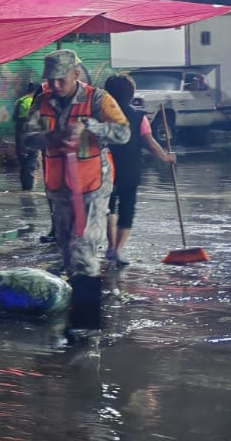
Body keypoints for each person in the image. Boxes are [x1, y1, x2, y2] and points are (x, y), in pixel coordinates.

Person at [18, 49, 130, 318]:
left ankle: (86, 321)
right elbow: (27, 138)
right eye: (51, 80)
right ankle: (75, 310)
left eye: (61, 80)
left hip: (91, 186)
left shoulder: (97, 99)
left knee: (83, 250)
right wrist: (53, 136)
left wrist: (91, 126)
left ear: (76, 74)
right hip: (58, 187)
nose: (55, 86)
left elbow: (124, 133)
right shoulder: (42, 101)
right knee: (67, 248)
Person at [102, 73, 176, 267]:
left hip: (104, 167)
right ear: (131, 94)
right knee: (127, 207)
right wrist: (167, 157)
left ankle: (110, 247)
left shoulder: (99, 114)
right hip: (130, 166)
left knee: (108, 207)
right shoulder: (138, 116)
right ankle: (118, 250)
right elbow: (150, 143)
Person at [13, 77, 38, 192]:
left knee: (23, 164)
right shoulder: (30, 102)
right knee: (31, 162)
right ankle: (29, 189)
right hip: (28, 136)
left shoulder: (19, 101)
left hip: (18, 135)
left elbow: (14, 119)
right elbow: (27, 120)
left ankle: (25, 187)